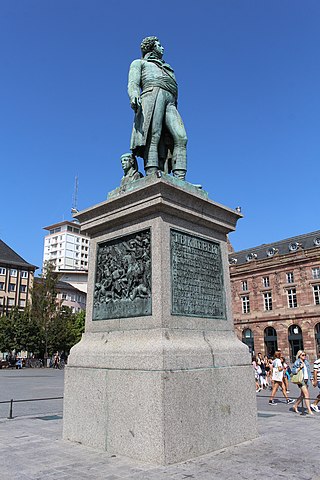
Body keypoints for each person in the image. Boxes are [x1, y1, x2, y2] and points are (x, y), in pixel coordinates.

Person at [128, 36, 187, 180]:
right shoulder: (139, 63)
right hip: (153, 93)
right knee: (154, 134)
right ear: (151, 47)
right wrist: (134, 94)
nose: (163, 48)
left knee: (181, 137)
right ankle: (152, 173)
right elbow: (133, 83)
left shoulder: (167, 68)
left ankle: (180, 178)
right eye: (159, 45)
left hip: (170, 101)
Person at [292, 350, 313, 415]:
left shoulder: (306, 362)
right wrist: (300, 368)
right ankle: (309, 410)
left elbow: (309, 371)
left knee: (303, 395)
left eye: (305, 355)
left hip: (307, 380)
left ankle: (295, 405)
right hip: (301, 380)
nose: (304, 356)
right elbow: (293, 371)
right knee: (307, 394)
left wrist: (311, 379)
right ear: (299, 356)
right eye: (303, 355)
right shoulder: (297, 362)